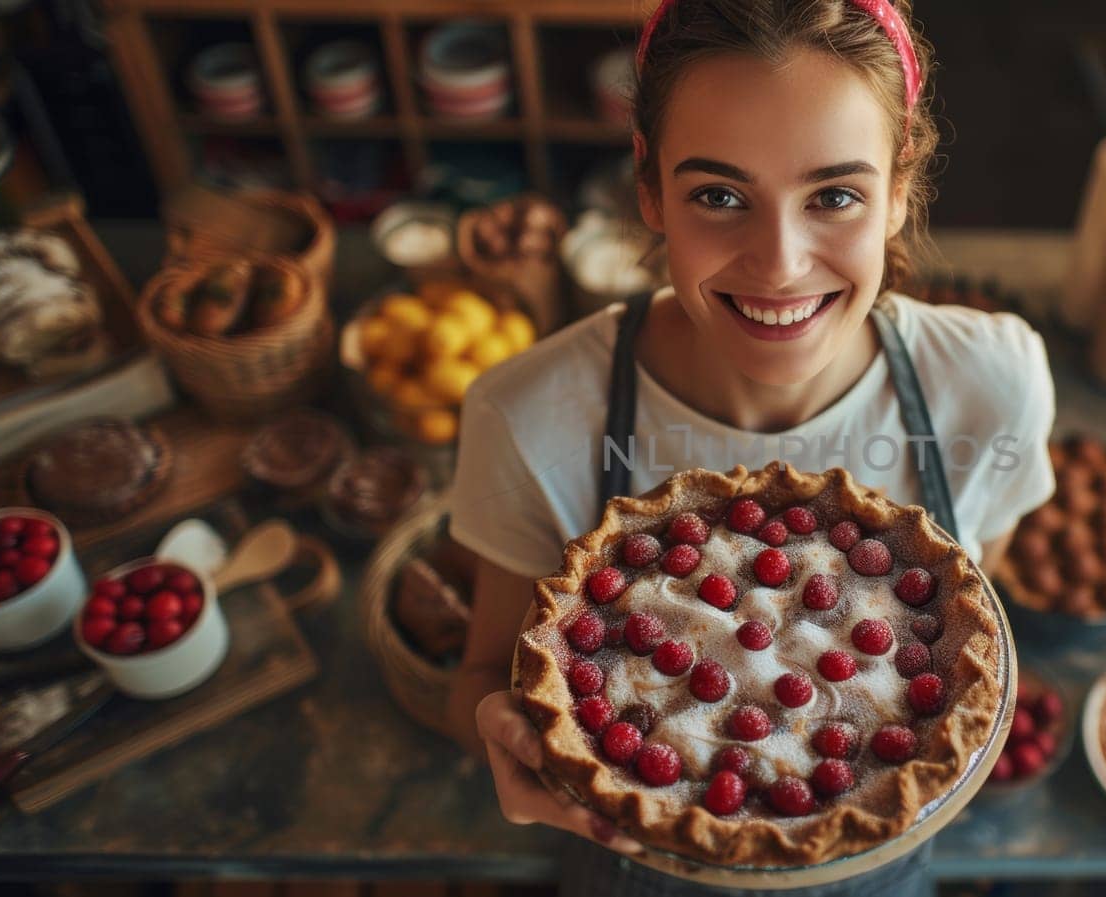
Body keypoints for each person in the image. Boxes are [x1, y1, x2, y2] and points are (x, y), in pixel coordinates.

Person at [446, 1, 1056, 893]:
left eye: (835, 195)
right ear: (649, 190)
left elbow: (973, 640)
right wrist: (499, 735)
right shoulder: (529, 417)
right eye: (719, 196)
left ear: (901, 186)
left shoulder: (989, 390)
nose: (778, 263)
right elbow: (475, 679)